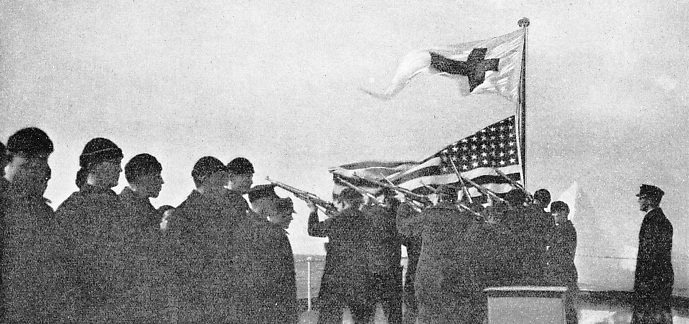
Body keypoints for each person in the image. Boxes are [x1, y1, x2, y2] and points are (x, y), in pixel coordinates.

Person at [55, 137, 129, 322]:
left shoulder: (120, 206)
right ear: (93, 165)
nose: (119, 169)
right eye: (113, 163)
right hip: (89, 310)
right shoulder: (73, 209)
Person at [1, 127, 71, 322]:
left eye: (41, 165)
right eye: (28, 166)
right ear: (11, 161)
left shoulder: (42, 211)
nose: (36, 173)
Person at [166, 156, 240, 323]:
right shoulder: (182, 215)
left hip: (221, 303)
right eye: (220, 178)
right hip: (197, 306)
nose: (224, 184)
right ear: (203, 178)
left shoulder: (221, 214)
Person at [397, 185, 481, 324]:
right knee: (453, 315)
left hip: (428, 275)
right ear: (455, 199)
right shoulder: (465, 218)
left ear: (439, 197)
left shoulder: (427, 215)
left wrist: (404, 207)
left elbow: (404, 228)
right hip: (456, 274)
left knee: (427, 314)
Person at [308, 188, 374, 324]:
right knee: (362, 319)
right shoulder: (368, 220)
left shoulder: (336, 219)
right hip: (360, 277)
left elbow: (313, 230)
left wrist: (313, 211)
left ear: (343, 202)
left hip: (335, 278)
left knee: (329, 318)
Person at [235, 184, 299, 323]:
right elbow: (284, 276)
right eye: (272, 200)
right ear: (263, 201)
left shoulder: (240, 226)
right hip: (271, 305)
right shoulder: (273, 232)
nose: (275, 204)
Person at [118, 153, 167, 323]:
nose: (162, 182)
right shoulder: (121, 210)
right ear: (141, 177)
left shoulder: (145, 209)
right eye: (157, 176)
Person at [631, 184, 674, 324]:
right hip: (661, 283)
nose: (639, 201)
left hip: (650, 285)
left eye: (641, 198)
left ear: (649, 200)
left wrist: (642, 285)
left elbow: (649, 256)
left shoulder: (651, 221)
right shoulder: (664, 221)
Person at [362, 188, 403, 324]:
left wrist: (367, 205)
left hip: (370, 271)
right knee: (394, 314)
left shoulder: (366, 214)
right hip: (392, 271)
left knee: (368, 314)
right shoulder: (395, 217)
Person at [544, 201, 578, 324]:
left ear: (564, 213)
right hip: (566, 273)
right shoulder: (567, 228)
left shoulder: (564, 230)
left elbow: (557, 252)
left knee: (565, 309)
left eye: (555, 213)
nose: (554, 216)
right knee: (567, 309)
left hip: (562, 273)